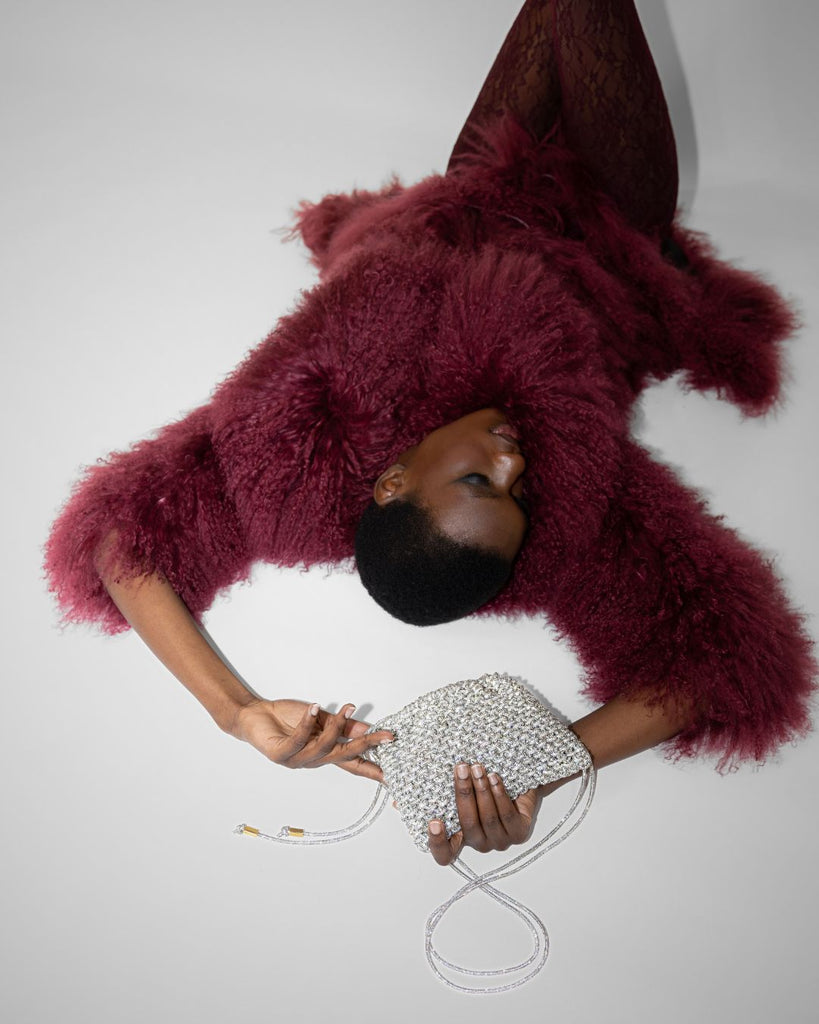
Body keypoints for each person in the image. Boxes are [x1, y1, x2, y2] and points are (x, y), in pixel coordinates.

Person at [45, 0, 815, 867]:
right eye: (519, 492)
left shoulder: (300, 438)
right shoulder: (582, 499)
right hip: (604, 227)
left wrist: (237, 712)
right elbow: (722, 660)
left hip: (461, 195)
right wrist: (546, 764)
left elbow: (121, 536)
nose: (512, 457)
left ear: (391, 481)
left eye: (479, 479)